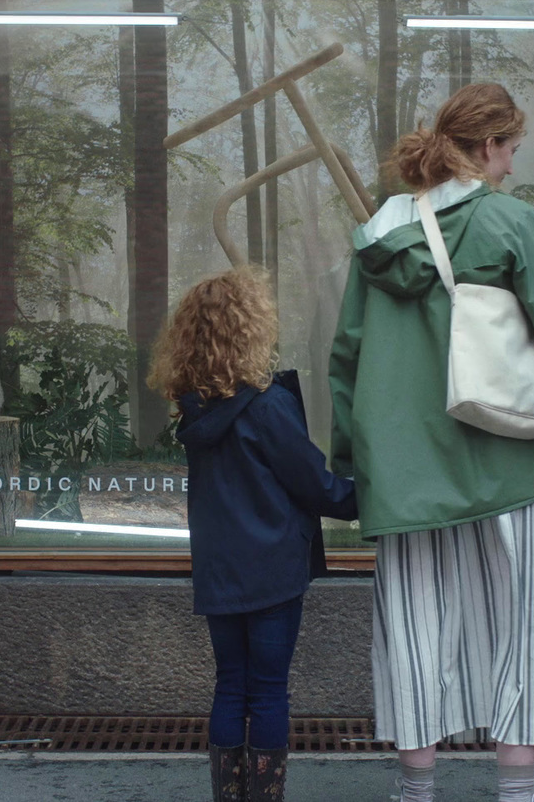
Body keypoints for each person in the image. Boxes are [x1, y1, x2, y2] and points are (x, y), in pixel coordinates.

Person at [328, 83, 534, 802]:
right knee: (516, 623)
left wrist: (351, 461)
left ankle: (416, 789)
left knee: (413, 629)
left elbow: (346, 353)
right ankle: (517, 787)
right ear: (485, 148)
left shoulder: (380, 233)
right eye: (509, 150)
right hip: (497, 459)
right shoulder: (509, 222)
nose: (510, 165)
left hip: (403, 476)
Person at [149, 265, 358, 802]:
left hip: (220, 574)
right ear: (250, 330)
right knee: (267, 691)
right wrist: (372, 499)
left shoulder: (195, 413)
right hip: (273, 574)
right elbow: (314, 485)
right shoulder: (267, 406)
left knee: (229, 686)